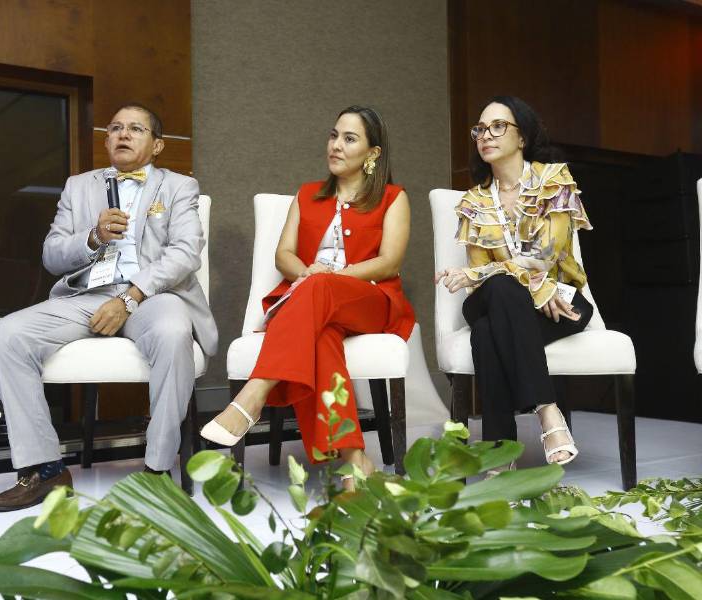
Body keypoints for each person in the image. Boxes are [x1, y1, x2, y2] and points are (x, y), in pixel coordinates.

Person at [0, 103, 217, 511]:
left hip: (152, 295)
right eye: (115, 128)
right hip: (88, 295)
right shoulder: (78, 186)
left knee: (173, 332)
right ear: (107, 139)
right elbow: (52, 254)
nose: (123, 134)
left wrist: (130, 299)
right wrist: (92, 237)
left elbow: (185, 253)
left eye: (136, 129)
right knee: (6, 335)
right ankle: (45, 470)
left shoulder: (179, 186)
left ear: (157, 145)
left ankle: (157, 473)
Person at [200, 106, 415, 487]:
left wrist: (327, 278)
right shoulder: (306, 194)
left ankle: (255, 392)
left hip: (369, 301)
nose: (336, 145)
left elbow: (389, 262)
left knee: (317, 289)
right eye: (334, 135)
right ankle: (354, 461)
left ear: (373, 153)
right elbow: (283, 255)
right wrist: (309, 275)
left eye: (349, 139)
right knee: (322, 338)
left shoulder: (392, 197)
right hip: (313, 303)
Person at [436, 95, 592, 469]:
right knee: (501, 291)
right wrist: (530, 285)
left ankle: (498, 453)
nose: (485, 135)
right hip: (498, 297)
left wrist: (487, 274)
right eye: (480, 129)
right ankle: (547, 409)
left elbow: (546, 254)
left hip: (561, 301)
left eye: (498, 126)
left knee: (486, 333)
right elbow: (483, 282)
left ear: (522, 137)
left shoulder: (554, 180)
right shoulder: (474, 201)